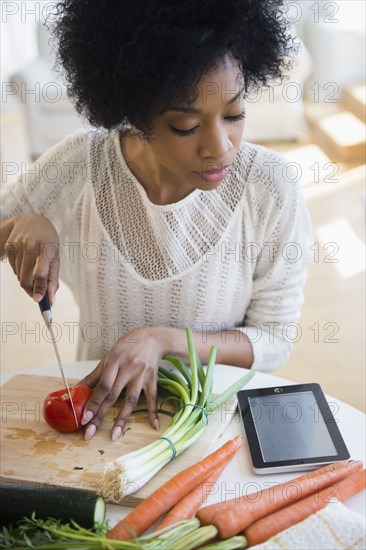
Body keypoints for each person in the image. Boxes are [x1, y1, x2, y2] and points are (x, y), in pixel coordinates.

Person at [0, 0, 312, 442]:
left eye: (235, 114)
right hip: (98, 426)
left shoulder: (271, 188)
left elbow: (274, 339)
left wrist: (164, 340)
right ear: (136, 112)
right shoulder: (80, 164)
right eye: (185, 126)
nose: (220, 147)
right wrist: (22, 225)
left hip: (209, 429)